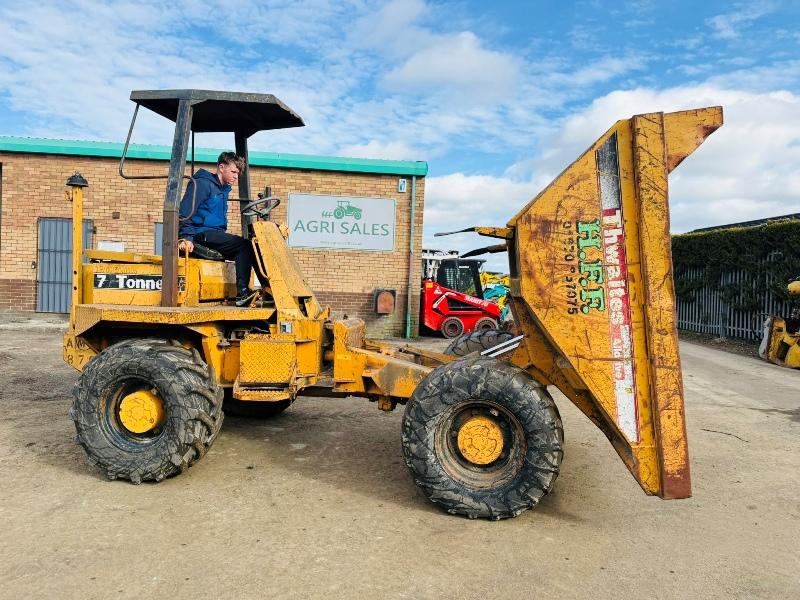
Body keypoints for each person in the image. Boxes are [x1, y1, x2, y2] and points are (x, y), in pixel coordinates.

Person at [177, 152, 259, 306]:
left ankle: (260, 289)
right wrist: (186, 237)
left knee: (252, 245)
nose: (236, 176)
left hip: (212, 234)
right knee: (243, 245)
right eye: (233, 172)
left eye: (238, 173)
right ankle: (242, 293)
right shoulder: (202, 184)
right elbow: (184, 212)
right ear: (221, 167)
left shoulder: (223, 189)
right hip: (199, 234)